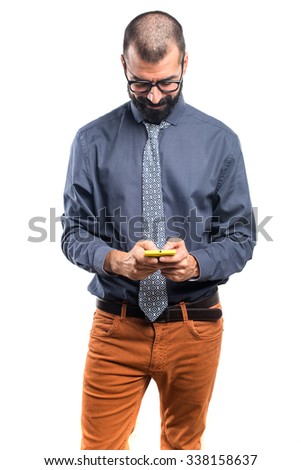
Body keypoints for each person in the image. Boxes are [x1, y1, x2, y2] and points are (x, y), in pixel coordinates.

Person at [61, 10, 256, 450]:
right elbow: (73, 232)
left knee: (183, 451)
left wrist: (196, 263)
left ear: (185, 63)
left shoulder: (220, 141)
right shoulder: (91, 140)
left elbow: (241, 237)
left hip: (196, 326)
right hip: (117, 326)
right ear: (124, 66)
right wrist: (114, 260)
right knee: (99, 452)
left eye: (166, 82)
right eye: (140, 83)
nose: (153, 96)